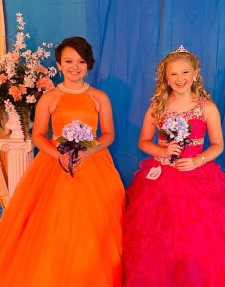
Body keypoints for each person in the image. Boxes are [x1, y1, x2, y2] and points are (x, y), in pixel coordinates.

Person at [0, 36, 125, 287]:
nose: (74, 66)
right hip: (55, 164)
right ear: (59, 64)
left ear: (88, 64)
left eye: (81, 61)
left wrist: (88, 152)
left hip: (93, 162)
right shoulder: (51, 96)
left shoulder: (99, 97)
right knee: (54, 223)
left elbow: (109, 134)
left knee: (94, 225)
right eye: (68, 61)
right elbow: (38, 135)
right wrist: (59, 154)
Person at [123, 45, 225, 286]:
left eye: (185, 72)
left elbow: (218, 145)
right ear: (165, 78)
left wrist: (198, 160)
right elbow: (144, 141)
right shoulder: (158, 106)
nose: (180, 79)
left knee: (195, 238)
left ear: (196, 72)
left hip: (198, 176)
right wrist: (163, 150)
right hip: (162, 179)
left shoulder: (207, 107)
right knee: (158, 238)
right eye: (174, 74)